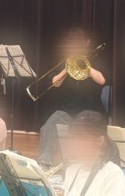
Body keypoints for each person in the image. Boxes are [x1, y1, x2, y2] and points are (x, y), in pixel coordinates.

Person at [37, 26, 106, 170]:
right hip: (67, 112)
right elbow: (56, 83)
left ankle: (74, 166)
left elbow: (102, 80)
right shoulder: (65, 61)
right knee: (50, 124)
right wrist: (67, 68)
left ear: (86, 43)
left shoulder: (95, 60)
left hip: (90, 113)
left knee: (81, 132)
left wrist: (85, 66)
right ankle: (44, 164)